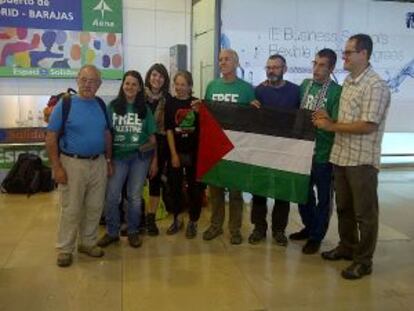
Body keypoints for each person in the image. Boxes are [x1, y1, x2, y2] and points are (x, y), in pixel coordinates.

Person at [313, 34, 391, 279]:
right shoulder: (348, 81)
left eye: (348, 52)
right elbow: (347, 121)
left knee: (365, 214)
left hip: (362, 161)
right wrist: (329, 118)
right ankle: (347, 247)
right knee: (344, 207)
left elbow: (368, 125)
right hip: (341, 156)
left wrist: (331, 127)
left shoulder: (375, 85)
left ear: (363, 54)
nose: (343, 56)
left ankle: (364, 260)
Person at [45, 64, 112, 267]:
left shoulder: (101, 105)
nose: (88, 84)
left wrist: (108, 160)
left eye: (93, 81)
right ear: (77, 80)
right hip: (72, 163)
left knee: (94, 206)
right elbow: (51, 137)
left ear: (99, 84)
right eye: (84, 80)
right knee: (71, 208)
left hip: (98, 162)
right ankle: (65, 248)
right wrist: (57, 167)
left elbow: (107, 134)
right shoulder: (65, 105)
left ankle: (88, 242)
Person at [288, 49, 342, 254]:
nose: (316, 69)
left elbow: (340, 123)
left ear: (331, 68)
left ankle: (317, 236)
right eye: (315, 63)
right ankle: (309, 227)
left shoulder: (337, 91)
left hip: (324, 153)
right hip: (302, 151)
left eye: (321, 65)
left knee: (324, 199)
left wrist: (329, 118)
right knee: (302, 192)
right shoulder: (304, 86)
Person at [97, 70, 157, 248]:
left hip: (140, 158)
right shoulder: (112, 107)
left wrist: (154, 161)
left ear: (139, 88)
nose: (130, 87)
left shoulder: (145, 109)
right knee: (112, 196)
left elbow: (153, 139)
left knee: (134, 196)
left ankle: (132, 231)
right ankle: (112, 232)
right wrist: (107, 159)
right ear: (122, 86)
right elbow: (106, 134)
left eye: (134, 84)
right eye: (127, 83)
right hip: (118, 157)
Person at [202, 48, 256, 245]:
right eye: (220, 60)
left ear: (235, 62)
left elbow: (253, 119)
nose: (222, 63)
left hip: (237, 149)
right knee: (215, 191)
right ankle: (215, 225)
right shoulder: (211, 86)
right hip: (215, 147)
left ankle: (234, 229)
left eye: (226, 59)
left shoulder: (247, 89)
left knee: (235, 193)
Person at [248, 54, 300, 246]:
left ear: (284, 69)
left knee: (282, 192)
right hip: (263, 149)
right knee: (259, 191)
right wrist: (251, 106)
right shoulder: (258, 91)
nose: (271, 70)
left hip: (286, 151)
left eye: (276, 67)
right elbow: (252, 118)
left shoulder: (296, 92)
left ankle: (279, 230)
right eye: (268, 67)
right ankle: (259, 228)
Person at [165, 71, 205, 238]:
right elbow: (169, 130)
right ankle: (177, 218)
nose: (180, 88)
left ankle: (193, 222)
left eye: (183, 84)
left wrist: (199, 113)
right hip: (176, 152)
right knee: (174, 188)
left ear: (190, 86)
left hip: (194, 153)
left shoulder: (197, 104)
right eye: (177, 84)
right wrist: (174, 154)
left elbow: (205, 128)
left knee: (194, 190)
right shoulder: (170, 102)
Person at [144, 63, 172, 236]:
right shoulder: (139, 96)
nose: (157, 79)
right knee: (133, 183)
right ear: (149, 76)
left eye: (161, 76)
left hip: (160, 145)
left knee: (155, 182)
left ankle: (150, 219)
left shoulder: (167, 100)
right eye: (154, 75)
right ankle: (134, 218)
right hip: (138, 145)